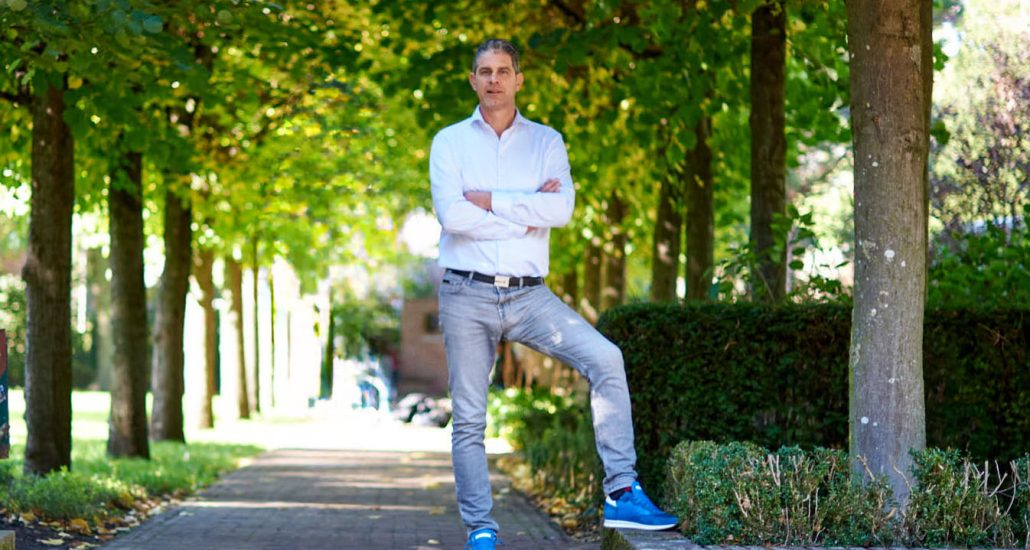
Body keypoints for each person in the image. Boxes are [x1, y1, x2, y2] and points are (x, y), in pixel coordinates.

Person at [429, 38, 678, 549]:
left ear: (519, 80)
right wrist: (523, 215)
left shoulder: (546, 142)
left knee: (606, 359)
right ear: (472, 80)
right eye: (484, 71)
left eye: (503, 70)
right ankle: (480, 529)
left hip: (529, 297)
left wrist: (491, 202)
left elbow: (559, 212)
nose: (494, 79)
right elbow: (452, 217)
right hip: (466, 294)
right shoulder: (448, 143)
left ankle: (622, 492)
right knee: (470, 415)